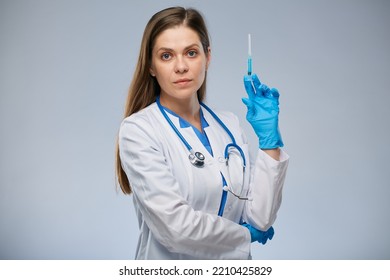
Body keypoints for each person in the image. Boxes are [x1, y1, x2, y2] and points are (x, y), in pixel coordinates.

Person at [115, 6, 289, 260]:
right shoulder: (139, 131)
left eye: (191, 53)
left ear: (207, 57)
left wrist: (269, 142)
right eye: (166, 56)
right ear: (151, 66)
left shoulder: (228, 124)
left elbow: (259, 218)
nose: (181, 66)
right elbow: (175, 228)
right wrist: (244, 235)